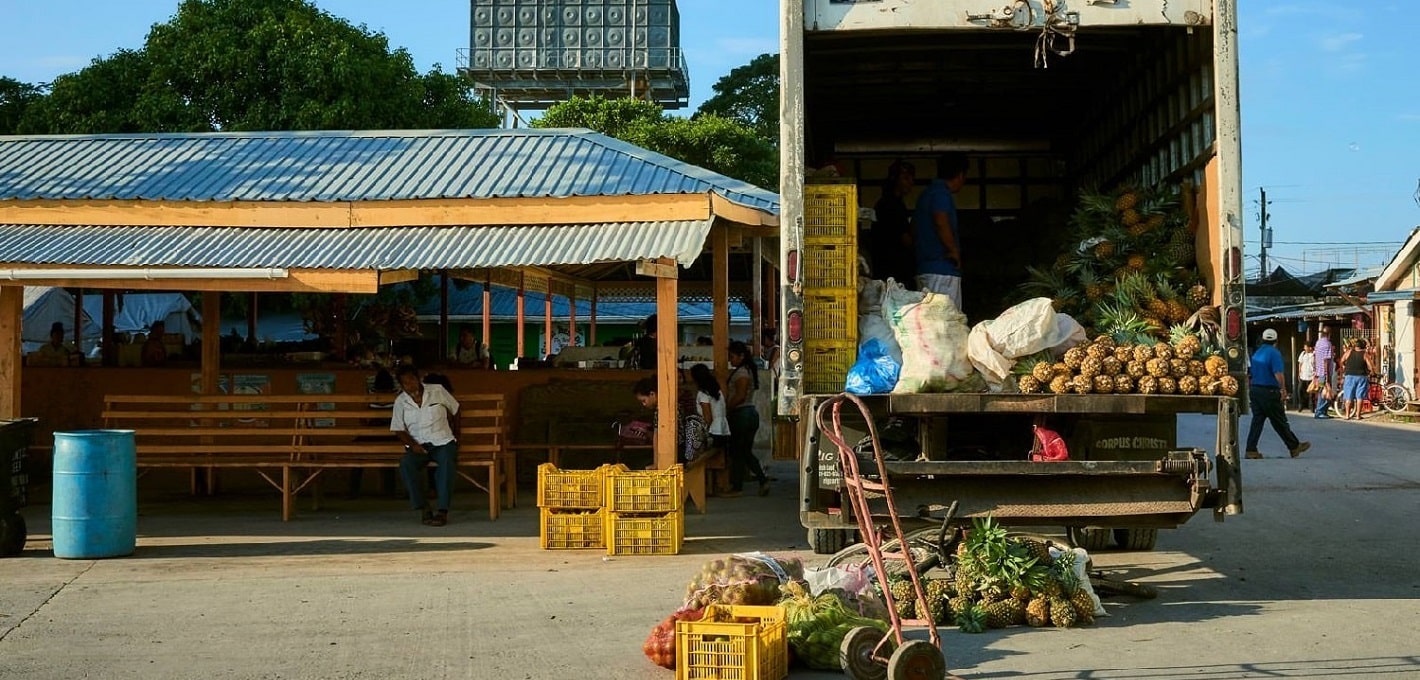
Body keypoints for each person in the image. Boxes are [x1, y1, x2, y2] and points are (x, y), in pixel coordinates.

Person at [391, 364, 460, 526]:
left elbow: (456, 410)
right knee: (406, 465)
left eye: (412, 380)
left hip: (442, 441)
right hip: (418, 445)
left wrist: (457, 435)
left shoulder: (437, 391)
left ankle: (442, 511)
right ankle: (424, 508)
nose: (410, 385)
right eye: (405, 383)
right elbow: (398, 429)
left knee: (446, 463)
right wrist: (412, 444)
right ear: (401, 386)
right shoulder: (401, 401)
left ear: (418, 378)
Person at [914, 153, 969, 312]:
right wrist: (953, 251)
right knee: (947, 321)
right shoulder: (941, 194)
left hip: (925, 268)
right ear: (960, 175)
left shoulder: (926, 194)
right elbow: (940, 220)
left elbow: (914, 228)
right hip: (942, 271)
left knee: (929, 322)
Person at [1245, 328, 1310, 460]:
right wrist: (1283, 389)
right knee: (1279, 420)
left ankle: (1251, 449)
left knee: (1257, 421)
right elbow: (1278, 374)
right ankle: (1294, 446)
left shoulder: (1257, 353)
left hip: (1255, 390)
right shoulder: (1274, 353)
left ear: (1263, 340)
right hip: (1269, 391)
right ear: (1276, 341)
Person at [726, 341, 769, 496]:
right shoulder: (748, 371)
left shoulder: (742, 373)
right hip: (750, 414)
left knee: (738, 452)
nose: (730, 360)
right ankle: (762, 479)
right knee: (745, 451)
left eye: (732, 357)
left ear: (741, 356)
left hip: (741, 414)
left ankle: (737, 487)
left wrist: (728, 408)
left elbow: (740, 395)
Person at [871, 160, 917, 286]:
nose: (910, 183)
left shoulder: (890, 203)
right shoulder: (891, 205)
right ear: (895, 180)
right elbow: (904, 238)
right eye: (906, 178)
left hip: (888, 269)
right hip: (893, 269)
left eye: (911, 179)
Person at [689, 364, 731, 454]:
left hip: (713, 430)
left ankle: (691, 466)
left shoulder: (703, 394)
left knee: (700, 454)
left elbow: (708, 417)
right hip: (722, 428)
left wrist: (703, 431)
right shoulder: (717, 390)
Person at [1339, 338, 1375, 420]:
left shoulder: (1349, 352)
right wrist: (1372, 372)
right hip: (1361, 376)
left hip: (1349, 376)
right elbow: (1370, 365)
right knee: (1360, 397)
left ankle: (1347, 415)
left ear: (1355, 346)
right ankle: (1358, 415)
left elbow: (1342, 360)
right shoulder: (1364, 354)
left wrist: (1344, 366)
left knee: (1348, 396)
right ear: (1362, 346)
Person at [1313, 325, 1335, 419]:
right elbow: (1326, 360)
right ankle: (1320, 411)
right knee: (1324, 392)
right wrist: (1327, 375)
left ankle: (1323, 411)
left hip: (1319, 372)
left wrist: (1315, 371)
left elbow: (1315, 357)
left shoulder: (1318, 343)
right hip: (1324, 373)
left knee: (1322, 392)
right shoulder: (1327, 344)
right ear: (1329, 334)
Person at [1295, 342, 1316, 412]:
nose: (1305, 348)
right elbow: (1300, 363)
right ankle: (1301, 404)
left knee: (1311, 393)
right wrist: (1299, 372)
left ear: (1310, 347)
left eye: (1306, 347)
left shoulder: (1314, 354)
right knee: (1300, 390)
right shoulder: (1303, 353)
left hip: (1311, 376)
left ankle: (1312, 407)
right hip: (1303, 376)